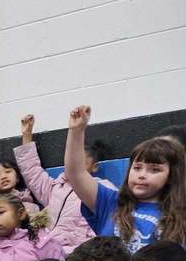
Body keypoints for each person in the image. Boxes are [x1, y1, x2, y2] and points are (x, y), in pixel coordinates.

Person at [65, 105, 186, 253]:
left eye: (154, 170)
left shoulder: (179, 214)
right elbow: (75, 174)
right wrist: (76, 131)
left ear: (172, 176)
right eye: (137, 168)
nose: (142, 174)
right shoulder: (109, 202)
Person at [15, 113, 116, 255]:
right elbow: (32, 171)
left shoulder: (103, 190)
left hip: (78, 254)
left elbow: (108, 226)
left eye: (81, 162)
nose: (74, 165)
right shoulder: (55, 187)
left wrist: (84, 253)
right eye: (71, 160)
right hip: (46, 249)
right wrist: (26, 135)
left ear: (95, 167)